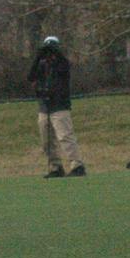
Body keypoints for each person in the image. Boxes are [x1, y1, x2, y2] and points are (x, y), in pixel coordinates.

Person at [29, 36, 85, 177]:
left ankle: (77, 165)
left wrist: (55, 53)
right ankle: (55, 166)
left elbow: (63, 68)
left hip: (60, 105)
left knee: (65, 136)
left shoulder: (62, 63)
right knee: (46, 139)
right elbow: (31, 77)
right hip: (44, 106)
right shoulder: (41, 64)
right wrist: (38, 58)